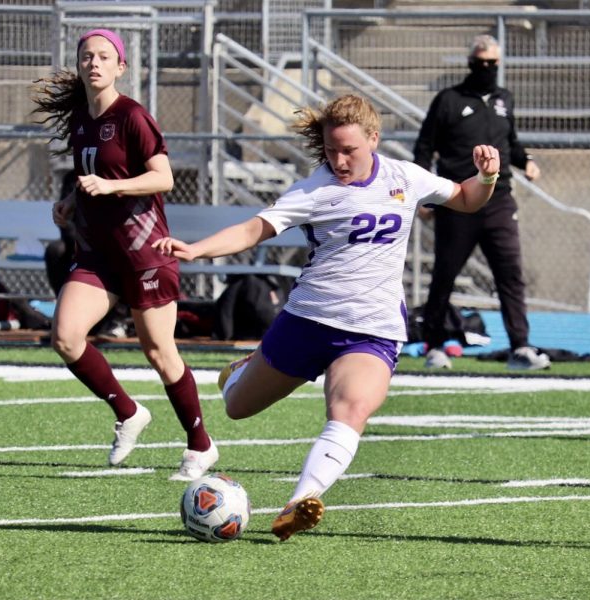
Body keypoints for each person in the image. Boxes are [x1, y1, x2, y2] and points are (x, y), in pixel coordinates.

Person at [153, 94, 500, 540]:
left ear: (373, 139)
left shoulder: (405, 177)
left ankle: (299, 502)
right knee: (237, 407)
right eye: (331, 149)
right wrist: (197, 249)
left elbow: (467, 198)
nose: (338, 159)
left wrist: (486, 177)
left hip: (372, 330)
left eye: (348, 150)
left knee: (351, 408)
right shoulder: (312, 191)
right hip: (309, 320)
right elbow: (253, 229)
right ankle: (241, 372)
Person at [32, 29, 218, 480]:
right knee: (66, 337)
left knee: (159, 352)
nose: (93, 63)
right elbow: (93, 174)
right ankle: (129, 411)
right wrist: (71, 204)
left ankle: (200, 445)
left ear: (121, 67)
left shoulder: (133, 116)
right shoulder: (81, 119)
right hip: (97, 255)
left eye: (103, 57)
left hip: (143, 254)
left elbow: (163, 179)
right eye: (86, 57)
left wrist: (113, 186)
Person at [413, 34, 550, 371]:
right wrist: (424, 196)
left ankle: (520, 346)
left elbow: (511, 144)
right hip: (458, 198)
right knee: (445, 273)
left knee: (510, 274)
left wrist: (526, 161)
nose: (486, 69)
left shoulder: (504, 100)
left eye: (493, 64)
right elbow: (424, 147)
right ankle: (434, 344)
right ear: (470, 64)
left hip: (499, 199)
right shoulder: (448, 100)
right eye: (481, 63)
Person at [44, 170, 130, 339]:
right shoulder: (73, 178)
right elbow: (66, 220)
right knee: (55, 251)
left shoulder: (118, 174)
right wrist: (78, 242)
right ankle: (69, 318)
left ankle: (118, 321)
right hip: (81, 241)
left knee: (121, 252)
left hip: (113, 240)